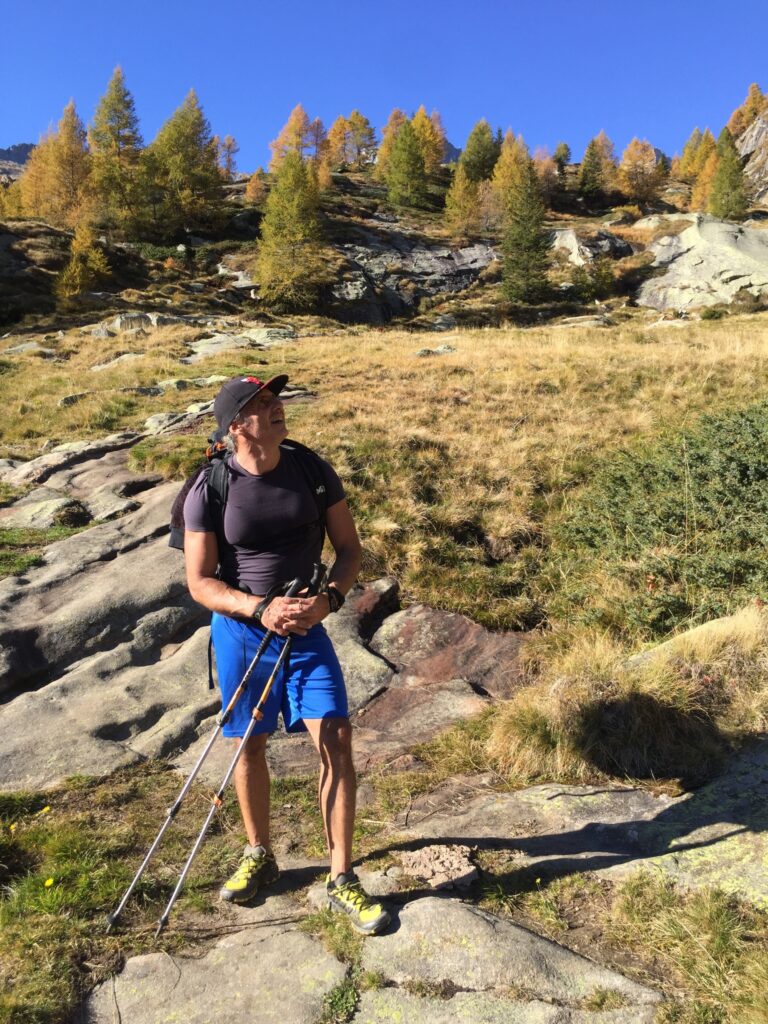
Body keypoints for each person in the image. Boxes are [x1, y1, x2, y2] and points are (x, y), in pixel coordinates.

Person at [182, 372, 390, 935]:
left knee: (337, 738)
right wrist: (258, 610)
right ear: (235, 425)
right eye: (262, 403)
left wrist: (329, 600)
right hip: (243, 633)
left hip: (306, 630)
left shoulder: (312, 470)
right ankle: (259, 853)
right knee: (249, 742)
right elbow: (200, 582)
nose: (277, 407)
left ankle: (341, 876)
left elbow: (349, 549)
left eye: (277, 399)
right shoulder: (209, 487)